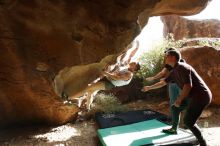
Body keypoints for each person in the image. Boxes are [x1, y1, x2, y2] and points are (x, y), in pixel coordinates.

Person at [142, 50, 212, 146]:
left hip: (201, 97)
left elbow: (188, 85)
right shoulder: (174, 71)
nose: (165, 58)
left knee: (188, 122)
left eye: (167, 56)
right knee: (175, 108)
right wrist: (149, 87)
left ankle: (203, 143)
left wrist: (179, 100)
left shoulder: (182, 67)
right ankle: (174, 129)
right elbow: (163, 82)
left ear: (173, 58)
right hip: (192, 97)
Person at [145, 48, 188, 134]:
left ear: (173, 56)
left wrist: (163, 80)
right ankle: (174, 125)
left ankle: (187, 123)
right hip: (172, 84)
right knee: (174, 104)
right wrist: (153, 79)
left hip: (181, 86)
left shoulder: (181, 64)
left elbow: (184, 80)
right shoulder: (170, 64)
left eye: (167, 55)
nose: (165, 57)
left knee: (183, 103)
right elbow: (162, 73)